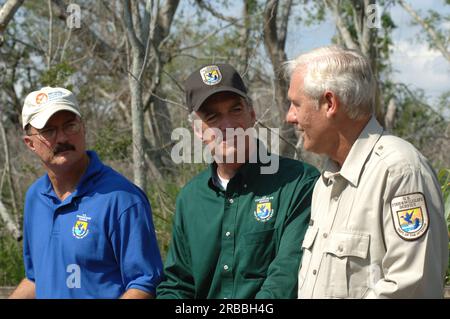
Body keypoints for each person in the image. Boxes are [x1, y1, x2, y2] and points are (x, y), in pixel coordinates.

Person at [285, 45, 449, 298]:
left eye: (296, 104)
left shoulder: (400, 171)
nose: (290, 117)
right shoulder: (326, 182)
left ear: (330, 103)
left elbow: (411, 287)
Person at [156, 63, 319, 299]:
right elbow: (177, 285)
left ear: (252, 115)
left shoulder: (298, 183)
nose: (228, 125)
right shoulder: (190, 199)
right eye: (212, 116)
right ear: (198, 130)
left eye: (235, 110)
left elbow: (286, 279)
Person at [9, 87, 164, 299]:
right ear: (30, 143)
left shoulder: (122, 198)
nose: (62, 137)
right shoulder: (35, 197)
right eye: (49, 131)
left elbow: (145, 285)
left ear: (83, 128)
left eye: (70, 125)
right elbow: (36, 278)